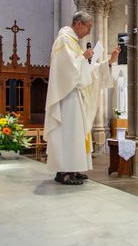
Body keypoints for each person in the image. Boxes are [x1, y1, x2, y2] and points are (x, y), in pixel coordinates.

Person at [44, 11, 120, 185]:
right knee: (68, 133)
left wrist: (108, 61)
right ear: (78, 23)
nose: (88, 31)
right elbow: (66, 70)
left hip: (74, 95)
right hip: (66, 96)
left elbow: (87, 71)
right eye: (88, 27)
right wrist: (82, 58)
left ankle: (73, 168)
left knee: (76, 134)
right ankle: (64, 172)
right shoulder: (63, 40)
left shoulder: (74, 44)